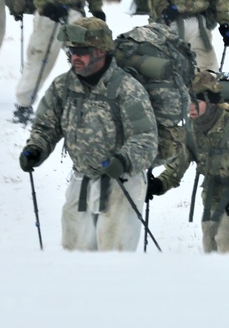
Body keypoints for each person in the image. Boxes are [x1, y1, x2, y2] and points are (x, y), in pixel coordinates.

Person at [18, 17, 158, 252]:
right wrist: (36, 148)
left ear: (100, 52)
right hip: (81, 181)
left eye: (81, 52)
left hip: (121, 182)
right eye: (71, 51)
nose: (75, 57)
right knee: (75, 255)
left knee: (115, 256)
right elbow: (46, 125)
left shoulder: (126, 88)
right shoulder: (63, 86)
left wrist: (123, 160)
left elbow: (145, 138)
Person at [148, 72, 229, 253]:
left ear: (211, 100)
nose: (189, 106)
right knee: (210, 250)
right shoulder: (191, 129)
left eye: (195, 100)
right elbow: (176, 168)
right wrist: (158, 184)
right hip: (213, 199)